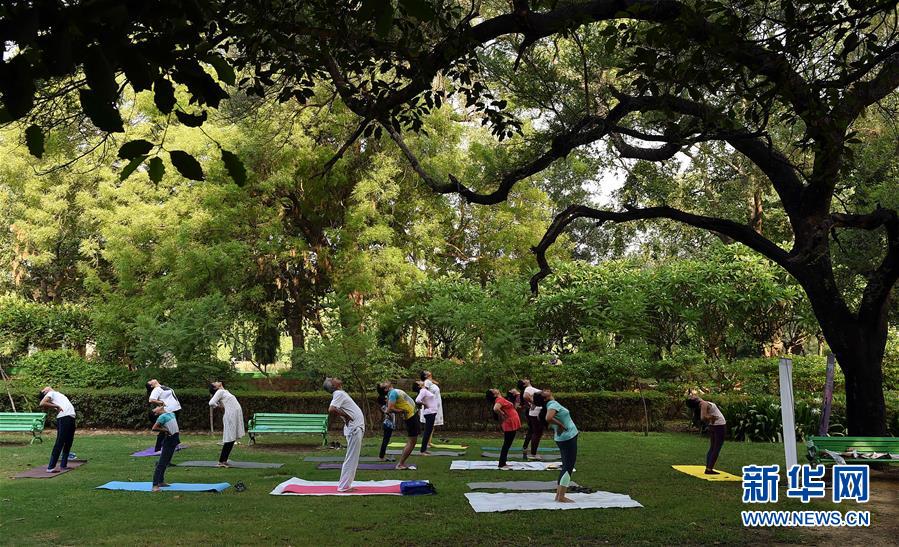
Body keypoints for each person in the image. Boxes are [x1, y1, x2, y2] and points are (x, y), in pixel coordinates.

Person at [535, 389, 578, 503]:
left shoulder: (550, 404)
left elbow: (545, 418)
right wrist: (561, 425)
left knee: (566, 466)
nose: (544, 390)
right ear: (545, 398)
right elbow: (548, 418)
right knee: (568, 467)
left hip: (564, 437)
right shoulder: (552, 404)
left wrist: (558, 425)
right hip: (567, 437)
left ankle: (559, 495)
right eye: (542, 392)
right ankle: (561, 497)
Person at [324, 378, 365, 492]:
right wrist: (346, 416)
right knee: (351, 458)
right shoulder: (338, 393)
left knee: (353, 458)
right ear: (333, 385)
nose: (336, 378)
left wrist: (346, 416)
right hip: (354, 428)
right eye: (333, 379)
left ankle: (346, 485)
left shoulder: (340, 393)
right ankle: (343, 487)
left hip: (355, 428)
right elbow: (332, 409)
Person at [378, 381, 418, 470]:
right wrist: (402, 411)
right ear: (385, 388)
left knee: (413, 441)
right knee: (412, 442)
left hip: (412, 415)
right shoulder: (392, 394)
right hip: (410, 417)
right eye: (383, 384)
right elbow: (389, 409)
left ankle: (401, 463)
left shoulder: (392, 392)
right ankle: (400, 464)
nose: (385, 381)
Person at [38, 387, 76, 473]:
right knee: (60, 442)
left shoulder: (56, 393)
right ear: (45, 392)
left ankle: (63, 465)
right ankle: (50, 467)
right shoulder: (50, 394)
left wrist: (56, 405)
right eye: (43, 389)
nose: (46, 387)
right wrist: (56, 406)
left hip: (70, 417)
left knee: (68, 442)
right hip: (64, 418)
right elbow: (42, 403)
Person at [686, 395, 727, 475]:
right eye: (692, 397)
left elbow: (703, 416)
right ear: (695, 400)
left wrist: (711, 418)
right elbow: (703, 417)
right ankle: (709, 469)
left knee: (712, 448)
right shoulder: (704, 403)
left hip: (714, 426)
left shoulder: (702, 404)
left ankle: (708, 468)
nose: (693, 395)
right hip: (719, 426)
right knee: (716, 448)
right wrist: (712, 417)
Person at [208, 382, 246, 467]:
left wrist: (221, 404)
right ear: (215, 388)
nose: (217, 381)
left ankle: (224, 459)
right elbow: (211, 403)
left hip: (234, 414)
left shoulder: (224, 391)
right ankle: (221, 461)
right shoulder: (219, 392)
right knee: (229, 438)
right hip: (231, 415)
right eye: (215, 383)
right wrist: (219, 406)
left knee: (232, 439)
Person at [485, 388, 520, 470]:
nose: (495, 388)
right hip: (509, 423)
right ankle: (502, 463)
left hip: (511, 422)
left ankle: (503, 462)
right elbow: (496, 408)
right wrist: (502, 413)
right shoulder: (499, 399)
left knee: (507, 444)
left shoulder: (501, 398)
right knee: (507, 444)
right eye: (493, 389)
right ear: (494, 394)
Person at [147, 379, 181, 453]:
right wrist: (162, 402)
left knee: (174, 428)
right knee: (166, 429)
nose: (151, 380)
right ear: (151, 385)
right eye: (150, 381)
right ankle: (158, 448)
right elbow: (151, 400)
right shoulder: (156, 389)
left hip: (176, 408)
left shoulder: (162, 387)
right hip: (169, 409)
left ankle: (175, 444)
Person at [151, 405, 180, 492]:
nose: (155, 407)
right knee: (161, 463)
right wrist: (165, 430)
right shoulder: (162, 417)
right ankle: (155, 485)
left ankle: (161, 481)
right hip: (169, 440)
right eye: (154, 408)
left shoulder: (171, 413)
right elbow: (154, 428)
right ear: (156, 413)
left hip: (174, 439)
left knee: (166, 462)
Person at [517, 377, 545, 460]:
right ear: (524, 384)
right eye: (524, 380)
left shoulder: (530, 388)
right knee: (537, 433)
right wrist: (535, 403)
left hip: (534, 412)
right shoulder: (528, 388)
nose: (526, 378)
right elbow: (525, 396)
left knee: (535, 433)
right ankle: (533, 454)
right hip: (536, 413)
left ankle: (532, 452)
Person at [415, 380, 439, 454]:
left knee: (428, 431)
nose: (420, 381)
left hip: (432, 412)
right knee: (427, 432)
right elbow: (417, 400)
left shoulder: (425, 390)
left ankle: (424, 449)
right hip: (429, 413)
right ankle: (422, 451)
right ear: (419, 386)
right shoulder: (423, 391)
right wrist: (424, 404)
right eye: (419, 382)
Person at [377, 391, 395, 462]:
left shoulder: (387, 406)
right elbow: (388, 413)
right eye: (387, 398)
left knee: (386, 441)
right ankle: (381, 456)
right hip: (387, 425)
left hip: (389, 426)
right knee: (385, 441)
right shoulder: (384, 407)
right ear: (384, 400)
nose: (388, 399)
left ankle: (382, 455)